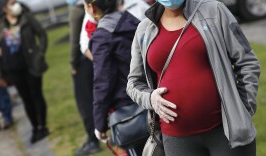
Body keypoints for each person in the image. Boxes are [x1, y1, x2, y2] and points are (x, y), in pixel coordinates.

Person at [127, 0, 260, 156]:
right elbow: (134, 83)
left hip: (226, 133)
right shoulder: (144, 29)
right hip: (177, 140)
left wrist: (244, 108)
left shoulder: (214, 11)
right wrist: (150, 98)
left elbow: (247, 61)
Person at [83, 0, 146, 155]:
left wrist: (100, 125)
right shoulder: (135, 22)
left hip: (131, 114)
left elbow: (102, 84)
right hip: (156, 101)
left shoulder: (102, 37)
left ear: (91, 7)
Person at [0, 0, 49, 144]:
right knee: (26, 99)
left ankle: (42, 126)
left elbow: (42, 35)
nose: (15, 5)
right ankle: (35, 127)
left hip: (31, 65)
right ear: (4, 8)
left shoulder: (26, 18)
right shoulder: (1, 25)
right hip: (14, 69)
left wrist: (39, 54)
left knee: (36, 95)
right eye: (11, 3)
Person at [66, 0, 101, 155]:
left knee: (85, 103)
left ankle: (92, 140)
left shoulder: (77, 11)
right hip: (95, 57)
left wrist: (73, 64)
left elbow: (75, 41)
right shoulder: (96, 5)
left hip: (83, 61)